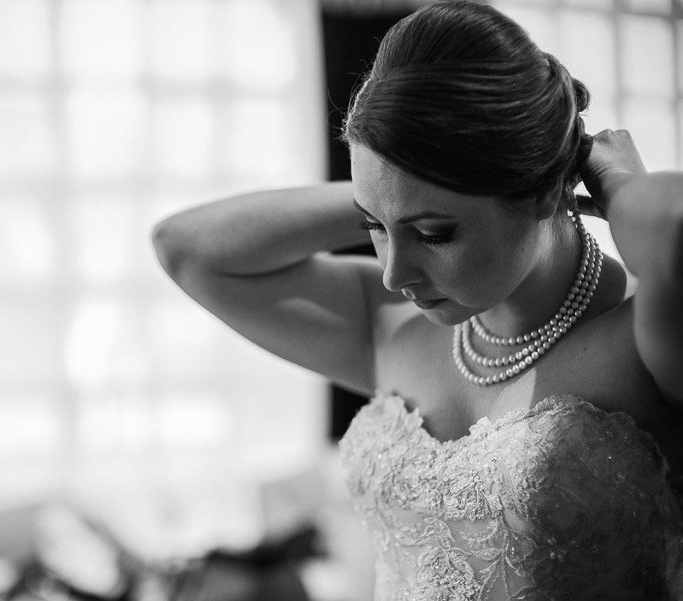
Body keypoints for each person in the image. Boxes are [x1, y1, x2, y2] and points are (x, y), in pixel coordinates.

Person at [151, 1, 683, 598]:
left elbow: (675, 226)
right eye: (372, 228)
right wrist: (392, 186)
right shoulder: (393, 328)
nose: (392, 274)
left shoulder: (644, 340)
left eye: (434, 234)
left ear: (539, 189)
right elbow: (186, 249)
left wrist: (618, 182)